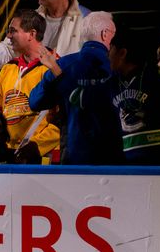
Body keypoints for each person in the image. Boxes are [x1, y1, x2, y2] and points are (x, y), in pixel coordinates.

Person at [29, 11, 124, 165]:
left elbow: (34, 102)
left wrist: (55, 75)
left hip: (74, 157)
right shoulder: (118, 65)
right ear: (105, 34)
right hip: (114, 156)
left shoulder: (61, 66)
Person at [0, 9, 60, 163]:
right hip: (9, 152)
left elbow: (62, 118)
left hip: (42, 155)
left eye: (13, 31)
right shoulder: (7, 69)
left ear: (31, 34)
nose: (8, 36)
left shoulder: (54, 67)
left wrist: (37, 146)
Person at [108, 26, 160, 164]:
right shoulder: (110, 82)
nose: (108, 54)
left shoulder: (158, 78)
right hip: (126, 163)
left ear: (122, 53)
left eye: (111, 48)